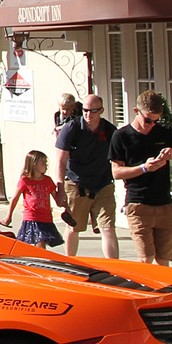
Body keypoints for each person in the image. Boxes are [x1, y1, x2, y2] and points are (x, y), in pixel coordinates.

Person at [111, 90, 172, 265]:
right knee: (145, 258)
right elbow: (116, 172)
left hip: (165, 204)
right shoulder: (121, 136)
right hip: (138, 204)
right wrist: (144, 168)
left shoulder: (165, 132)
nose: (152, 124)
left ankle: (162, 291)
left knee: (164, 259)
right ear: (137, 111)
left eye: (156, 120)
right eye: (148, 120)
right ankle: (147, 292)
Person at [54, 94, 119, 260]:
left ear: (101, 111)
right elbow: (61, 161)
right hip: (77, 184)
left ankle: (115, 269)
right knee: (74, 227)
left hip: (103, 184)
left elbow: (120, 158)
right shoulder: (71, 129)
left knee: (108, 227)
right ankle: (70, 263)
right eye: (86, 110)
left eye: (93, 111)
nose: (89, 114)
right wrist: (60, 188)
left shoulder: (110, 131)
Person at [4, 151, 63, 248]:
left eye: (46, 162)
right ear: (33, 164)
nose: (46, 164)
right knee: (40, 242)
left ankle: (39, 259)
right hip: (32, 217)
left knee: (40, 242)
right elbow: (14, 199)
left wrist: (66, 206)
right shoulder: (25, 181)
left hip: (46, 218)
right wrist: (9, 216)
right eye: (42, 162)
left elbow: (57, 198)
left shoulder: (47, 180)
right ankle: (41, 260)